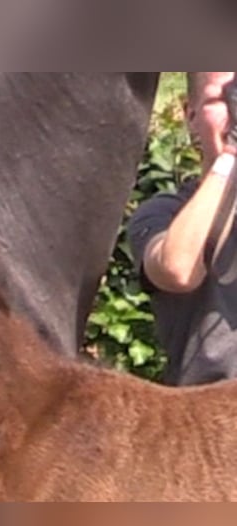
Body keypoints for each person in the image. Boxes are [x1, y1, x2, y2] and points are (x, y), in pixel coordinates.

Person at [129, 72, 237, 385]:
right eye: (222, 98)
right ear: (190, 115)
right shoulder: (163, 213)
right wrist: (231, 154)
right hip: (209, 421)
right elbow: (178, 269)